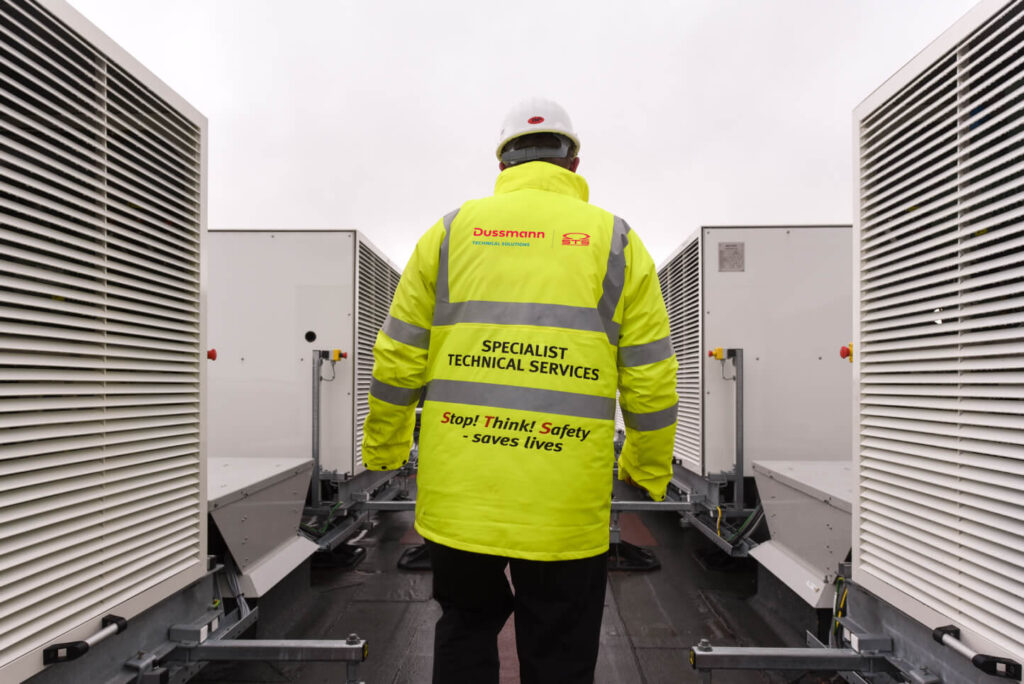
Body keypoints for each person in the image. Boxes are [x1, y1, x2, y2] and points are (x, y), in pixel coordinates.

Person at [361, 97, 678, 684]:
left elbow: (397, 358)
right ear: (574, 164)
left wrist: (383, 450)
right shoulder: (617, 242)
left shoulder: (448, 234)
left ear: (502, 165)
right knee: (559, 647)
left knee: (465, 626)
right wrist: (647, 467)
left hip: (461, 499)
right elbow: (651, 375)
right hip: (564, 505)